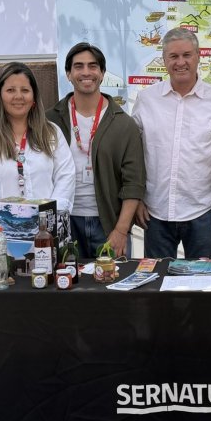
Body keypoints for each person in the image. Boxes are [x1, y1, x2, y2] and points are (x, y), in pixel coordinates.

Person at [132, 28, 211, 259]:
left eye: (187, 55)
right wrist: (136, 199)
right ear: (164, 60)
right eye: (173, 56)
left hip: (203, 212)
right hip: (155, 212)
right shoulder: (146, 100)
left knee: (201, 279)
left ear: (198, 56)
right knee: (157, 278)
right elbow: (133, 156)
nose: (181, 62)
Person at [47, 43, 146, 259]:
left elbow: (134, 183)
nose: (86, 72)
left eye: (93, 66)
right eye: (78, 66)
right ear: (68, 74)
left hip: (109, 225)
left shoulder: (123, 123)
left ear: (102, 73)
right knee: (66, 279)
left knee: (112, 280)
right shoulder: (49, 120)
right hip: (65, 222)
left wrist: (121, 230)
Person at [0, 62, 74, 226]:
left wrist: (48, 222)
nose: (18, 96)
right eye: (10, 90)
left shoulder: (52, 133)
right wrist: (11, 225)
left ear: (34, 96)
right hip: (3, 235)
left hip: (48, 233)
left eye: (25, 90)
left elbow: (66, 178)